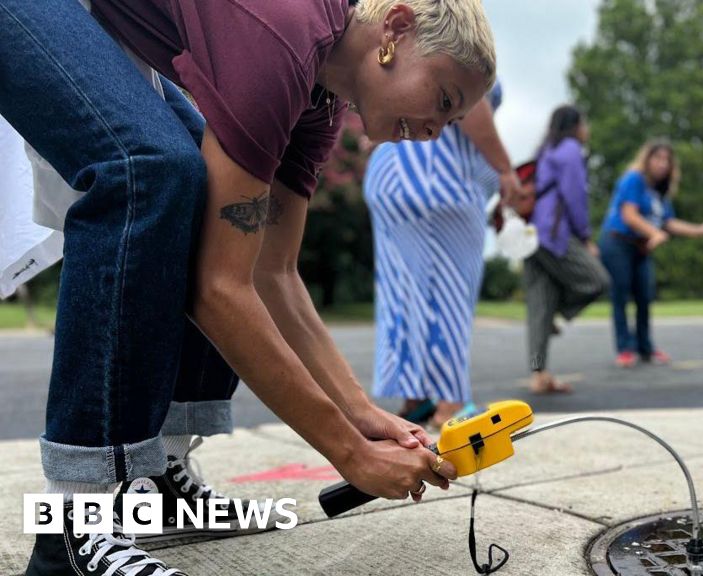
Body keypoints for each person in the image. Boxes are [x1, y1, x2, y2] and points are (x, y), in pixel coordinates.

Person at [0, 0, 495, 572]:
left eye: (451, 122)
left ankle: (159, 478)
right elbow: (221, 292)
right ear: (397, 29)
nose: (435, 132)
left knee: (211, 203)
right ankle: (71, 527)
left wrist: (362, 414)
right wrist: (350, 453)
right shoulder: (284, 37)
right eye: (443, 100)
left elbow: (270, 273)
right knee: (146, 171)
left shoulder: (319, 99)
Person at [366, 82, 520, 428]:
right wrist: (506, 170)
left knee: (403, 290)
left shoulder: (414, 51)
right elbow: (474, 106)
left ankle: (417, 398)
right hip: (441, 181)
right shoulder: (466, 51)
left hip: (393, 175)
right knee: (450, 290)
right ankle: (451, 401)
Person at [599, 139, 703, 368]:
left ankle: (646, 347)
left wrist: (699, 230)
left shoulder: (659, 192)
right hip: (618, 243)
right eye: (658, 158)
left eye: (667, 160)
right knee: (620, 295)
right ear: (647, 159)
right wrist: (655, 233)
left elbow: (669, 223)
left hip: (641, 247)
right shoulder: (634, 179)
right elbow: (629, 216)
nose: (663, 164)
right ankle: (625, 348)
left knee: (645, 295)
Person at [524, 105, 609, 394]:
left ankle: (539, 374)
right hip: (552, 234)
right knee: (597, 280)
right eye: (585, 123)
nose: (588, 130)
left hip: (530, 235)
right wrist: (585, 237)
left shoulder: (546, 149)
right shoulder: (571, 150)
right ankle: (558, 316)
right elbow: (575, 196)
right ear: (575, 126)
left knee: (539, 308)